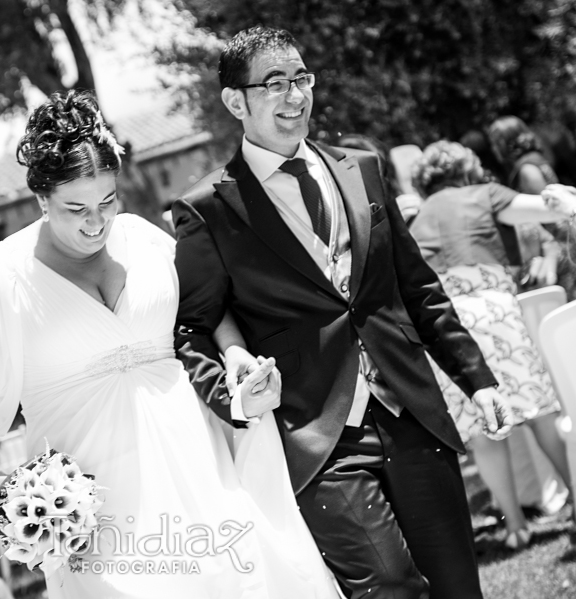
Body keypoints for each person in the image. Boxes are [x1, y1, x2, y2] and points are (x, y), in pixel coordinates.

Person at [0, 90, 342, 599]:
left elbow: (203, 314)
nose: (96, 222)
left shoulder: (144, 238)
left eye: (106, 201)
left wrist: (233, 353)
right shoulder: (1, 273)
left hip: (199, 458)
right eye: (74, 208)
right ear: (41, 201)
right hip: (91, 501)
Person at [172, 25, 511, 599]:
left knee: (458, 588)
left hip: (412, 411)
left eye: (300, 78)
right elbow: (193, 328)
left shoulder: (363, 168)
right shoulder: (208, 209)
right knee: (389, 585)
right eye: (273, 83)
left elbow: (418, 287)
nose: (294, 95)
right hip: (317, 433)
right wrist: (233, 395)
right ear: (236, 101)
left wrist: (476, 379)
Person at [408, 141, 573, 549]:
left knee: (485, 429)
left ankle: (515, 526)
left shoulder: (416, 217)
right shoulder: (486, 193)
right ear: (468, 169)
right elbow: (545, 208)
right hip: (491, 310)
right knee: (538, 411)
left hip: (443, 324)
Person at [488, 115, 576, 299]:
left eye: (495, 143)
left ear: (504, 142)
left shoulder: (526, 170)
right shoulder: (535, 159)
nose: (493, 149)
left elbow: (551, 209)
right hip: (568, 240)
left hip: (563, 244)